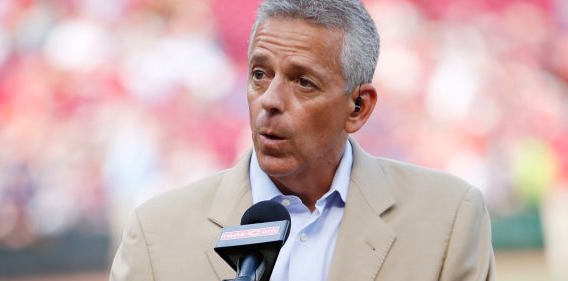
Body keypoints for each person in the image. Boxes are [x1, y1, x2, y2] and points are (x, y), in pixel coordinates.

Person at [109, 0, 495, 280]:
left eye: (302, 82)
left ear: (358, 107)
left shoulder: (448, 219)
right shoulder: (156, 234)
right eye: (260, 74)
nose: (270, 101)